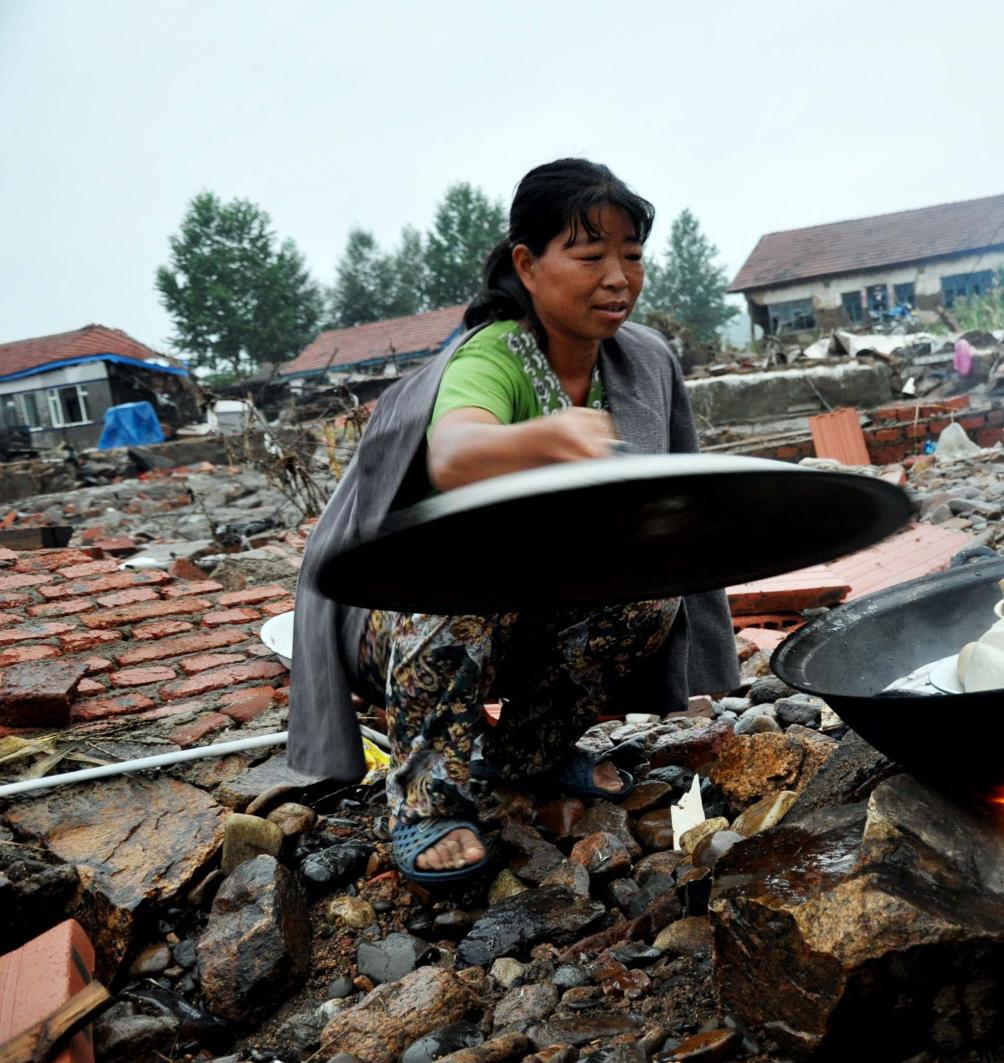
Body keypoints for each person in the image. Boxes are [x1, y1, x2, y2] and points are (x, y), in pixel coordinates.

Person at [286, 159, 739, 883]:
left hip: (535, 605)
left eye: (631, 255)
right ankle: (428, 802)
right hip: (405, 615)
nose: (618, 277)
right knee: (467, 576)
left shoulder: (643, 359)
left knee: (650, 592)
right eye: (591, 256)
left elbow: (678, 517)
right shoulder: (491, 356)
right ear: (527, 265)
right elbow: (457, 448)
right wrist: (544, 438)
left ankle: (527, 757)